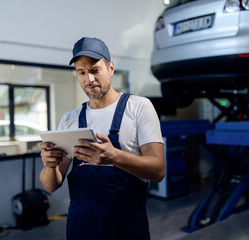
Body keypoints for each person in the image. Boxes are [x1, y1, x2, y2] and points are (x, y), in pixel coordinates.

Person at [39, 37, 166, 240]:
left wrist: (115, 157)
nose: (89, 79)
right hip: (81, 229)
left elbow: (159, 170)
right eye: (82, 72)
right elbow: (50, 185)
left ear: (111, 68)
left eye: (95, 70)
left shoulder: (139, 107)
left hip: (127, 229)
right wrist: (50, 166)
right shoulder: (69, 120)